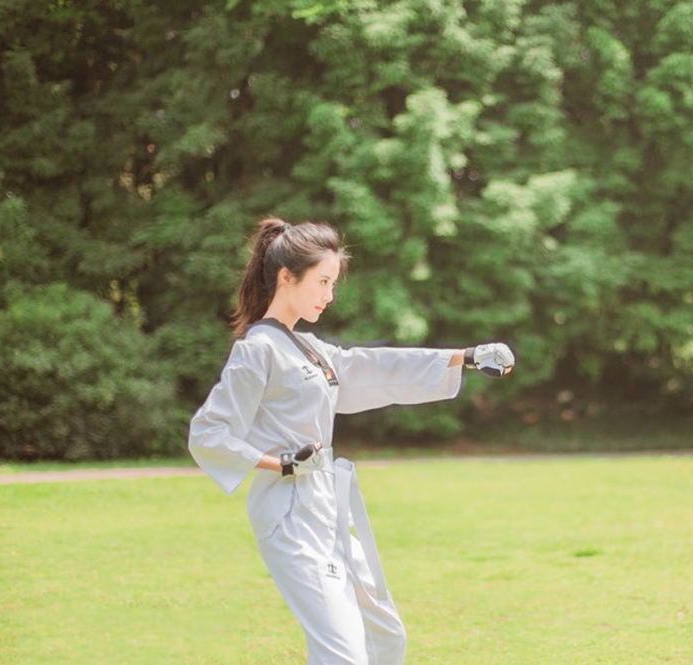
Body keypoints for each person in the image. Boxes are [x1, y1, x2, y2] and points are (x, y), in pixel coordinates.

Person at [188, 217, 514, 665]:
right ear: (287, 277)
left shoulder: (310, 348)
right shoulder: (257, 349)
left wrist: (468, 357)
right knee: (342, 653)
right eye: (322, 281)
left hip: (328, 505)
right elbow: (209, 433)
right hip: (288, 516)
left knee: (385, 636)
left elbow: (373, 367)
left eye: (333, 283)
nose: (329, 294)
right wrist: (279, 464)